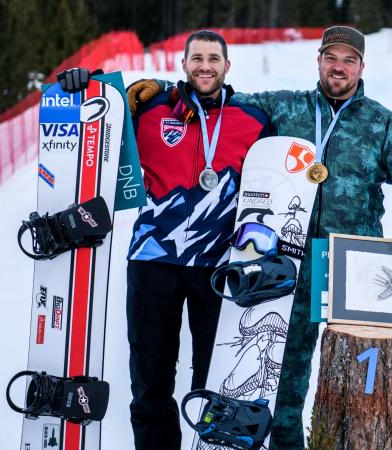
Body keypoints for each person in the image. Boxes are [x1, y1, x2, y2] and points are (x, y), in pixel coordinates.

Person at [129, 25, 392, 450]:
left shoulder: (381, 122)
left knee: (366, 381)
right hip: (294, 267)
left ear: (362, 66)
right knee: (284, 388)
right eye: (332, 57)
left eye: (349, 59)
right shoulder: (286, 107)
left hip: (354, 266)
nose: (339, 67)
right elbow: (215, 94)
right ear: (319, 62)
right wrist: (163, 88)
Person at [63, 30, 271, 450]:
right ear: (184, 64)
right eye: (197, 57)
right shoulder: (151, 109)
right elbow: (97, 116)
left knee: (214, 378)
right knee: (150, 377)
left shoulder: (254, 119)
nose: (205, 65)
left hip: (218, 266)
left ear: (227, 66)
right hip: (152, 261)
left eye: (214, 58)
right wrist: (81, 87)